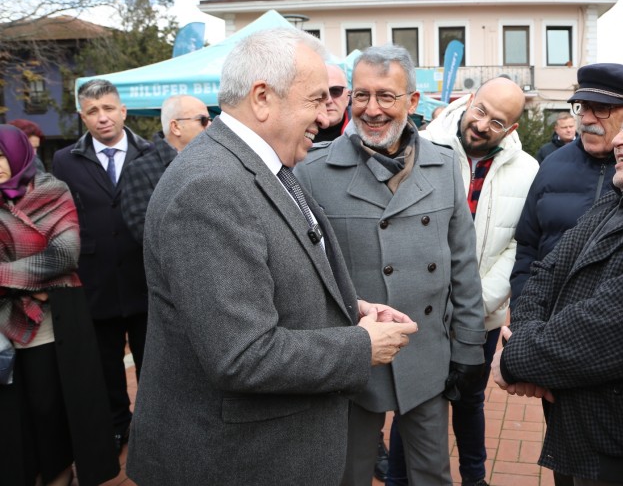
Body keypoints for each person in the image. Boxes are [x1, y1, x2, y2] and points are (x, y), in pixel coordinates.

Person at [126, 28, 418, 485]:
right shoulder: (211, 187)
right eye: (316, 99)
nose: (326, 116)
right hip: (233, 464)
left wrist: (350, 310)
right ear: (263, 97)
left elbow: (276, 273)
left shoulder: (261, 164)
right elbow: (242, 354)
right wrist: (361, 344)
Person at [295, 44, 486, 486]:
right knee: (347, 474)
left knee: (431, 475)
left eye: (386, 96)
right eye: (361, 95)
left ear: (413, 102)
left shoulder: (443, 168)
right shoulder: (313, 172)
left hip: (426, 354)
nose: (372, 109)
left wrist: (471, 347)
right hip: (352, 359)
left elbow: (463, 265)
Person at [490, 96, 623, 486]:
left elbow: (611, 328)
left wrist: (514, 358)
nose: (618, 140)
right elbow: (544, 272)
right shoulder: (619, 199)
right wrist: (523, 333)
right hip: (575, 429)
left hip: (621, 446)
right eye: (621, 129)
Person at [381, 78, 537, 486]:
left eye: (497, 122)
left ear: (512, 129)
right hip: (420, 313)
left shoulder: (527, 171)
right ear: (468, 101)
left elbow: (519, 245)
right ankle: (399, 479)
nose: (483, 124)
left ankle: (474, 478)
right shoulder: (420, 147)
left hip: (481, 314)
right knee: (411, 401)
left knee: (470, 401)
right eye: (480, 110)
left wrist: (477, 302)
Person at [0, 125, 120, 486]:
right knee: (13, 424)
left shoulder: (53, 191)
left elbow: (64, 255)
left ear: (19, 154)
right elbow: (47, 264)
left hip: (51, 327)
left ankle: (59, 477)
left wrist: (6, 276)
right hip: (5, 328)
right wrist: (35, 283)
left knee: (52, 413)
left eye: (2, 155)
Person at [51, 79, 153, 452]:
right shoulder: (65, 160)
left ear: (123, 110)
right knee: (106, 365)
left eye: (109, 108)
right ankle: (117, 425)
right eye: (93, 111)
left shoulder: (152, 153)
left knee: (151, 361)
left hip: (143, 278)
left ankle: (152, 425)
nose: (102, 117)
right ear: (83, 116)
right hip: (94, 279)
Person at [510, 63, 623, 310]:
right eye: (582, 107)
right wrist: (523, 307)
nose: (586, 119)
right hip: (542, 318)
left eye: (600, 108)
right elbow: (527, 247)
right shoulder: (551, 164)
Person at [120, 94, 211, 243]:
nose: (210, 126)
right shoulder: (140, 170)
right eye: (203, 120)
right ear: (175, 127)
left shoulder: (213, 161)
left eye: (210, 120)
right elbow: (145, 233)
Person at [314, 64, 351, 142]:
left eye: (336, 91)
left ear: (348, 97)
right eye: (321, 93)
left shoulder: (363, 130)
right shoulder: (296, 134)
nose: (328, 100)